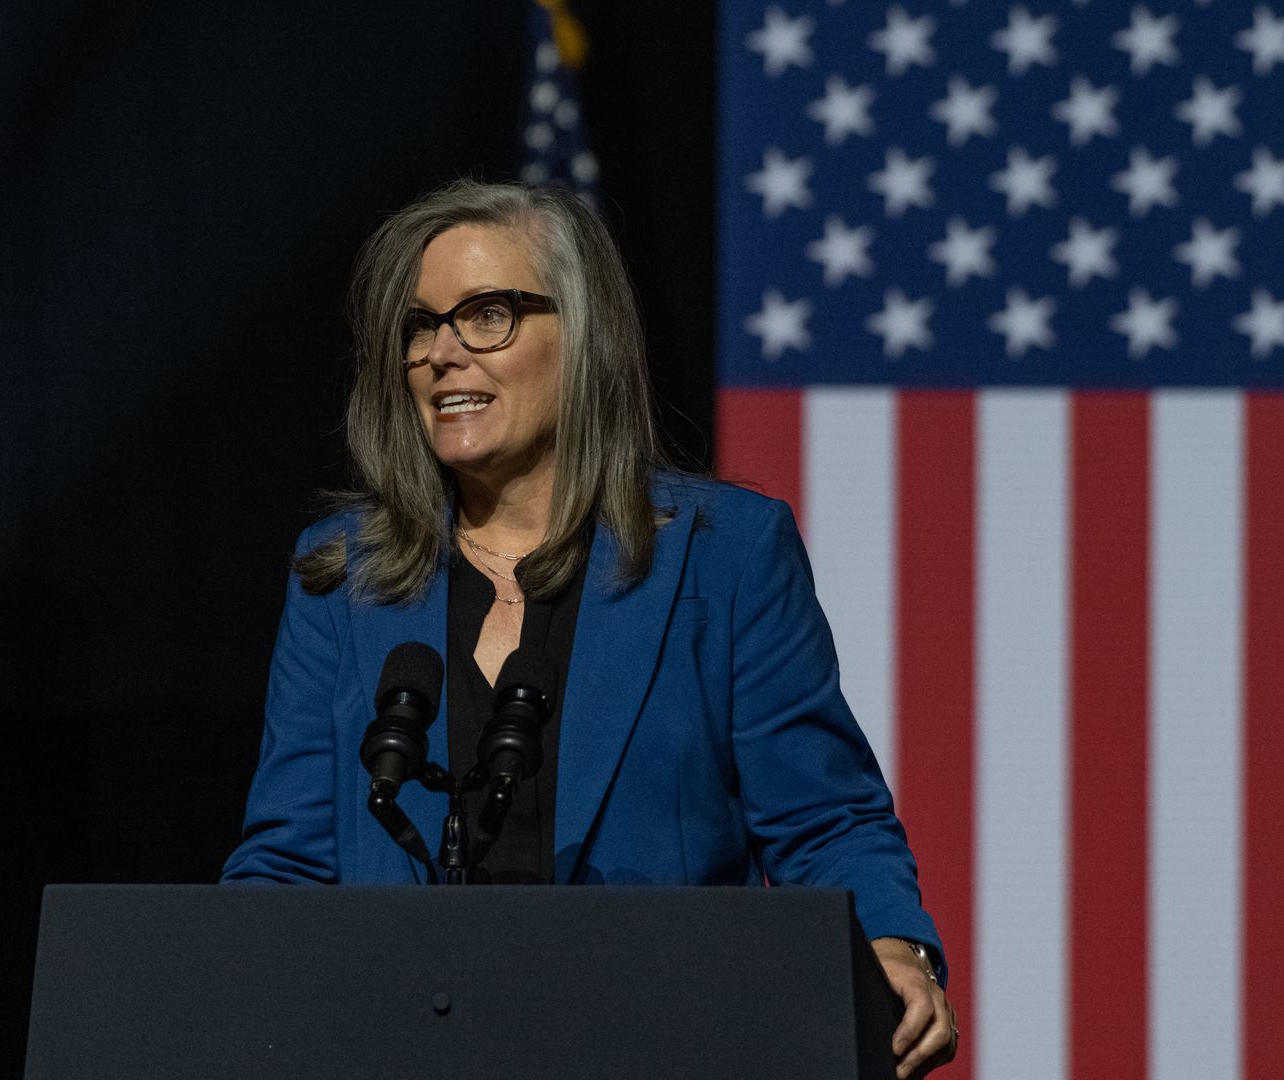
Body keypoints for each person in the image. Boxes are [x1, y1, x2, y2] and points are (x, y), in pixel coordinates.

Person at [220, 180, 957, 1078]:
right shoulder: (341, 575)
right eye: (420, 325)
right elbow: (287, 861)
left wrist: (891, 948)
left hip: (668, 1043)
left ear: (585, 336)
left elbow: (822, 817)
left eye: (486, 314)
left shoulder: (724, 557)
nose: (442, 352)